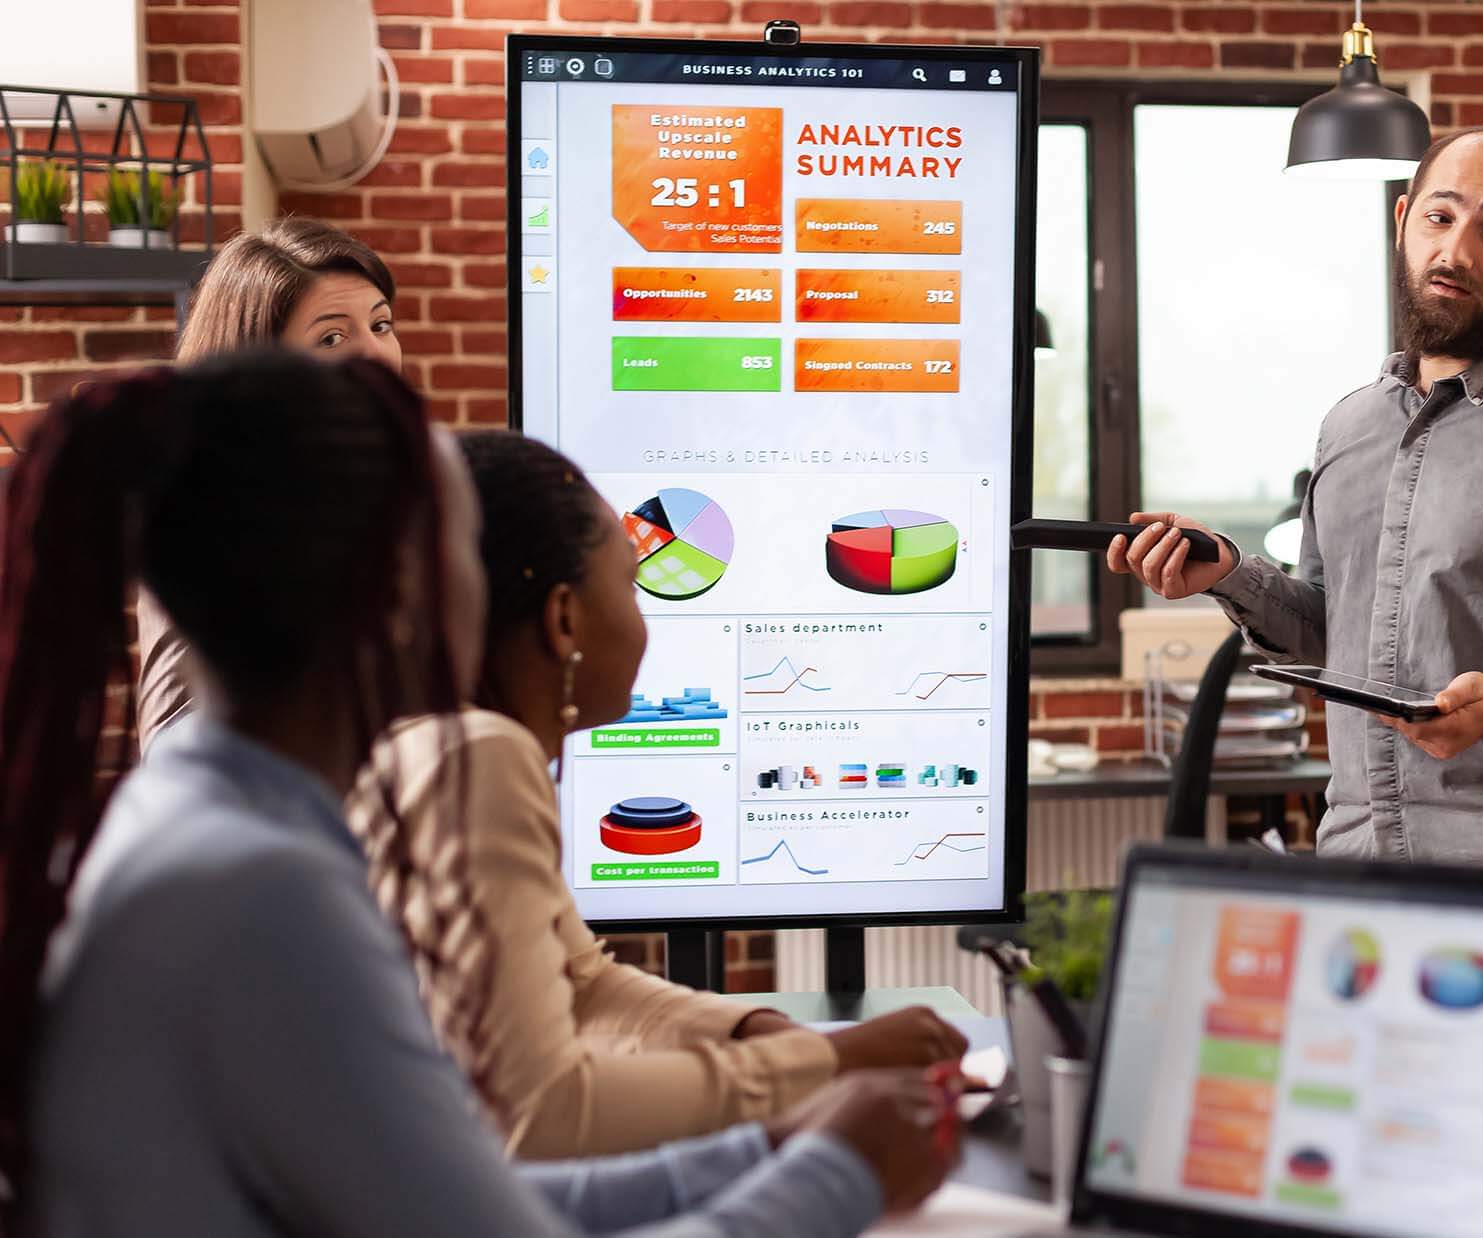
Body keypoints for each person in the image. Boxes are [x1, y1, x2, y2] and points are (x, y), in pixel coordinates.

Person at [3, 354, 952, 1235]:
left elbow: (461, 1189)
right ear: (402, 591)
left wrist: (767, 1148)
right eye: (466, 544)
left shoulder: (199, 820)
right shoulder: (264, 891)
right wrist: (840, 1171)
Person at [1108, 126, 1483, 869]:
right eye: (1440, 218)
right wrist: (1231, 574)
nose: (1456, 252)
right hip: (1354, 869)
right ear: (1402, 222)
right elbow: (1339, 637)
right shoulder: (1348, 427)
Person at [350, 429, 969, 1159]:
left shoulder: (431, 741)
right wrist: (829, 1062)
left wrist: (758, 1031)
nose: (647, 619)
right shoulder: (482, 757)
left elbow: (581, 983)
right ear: (564, 618)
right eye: (633, 584)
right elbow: (541, 1116)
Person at [136, 217, 404, 751]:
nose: (376, 355)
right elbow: (175, 742)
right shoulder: (206, 515)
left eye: (380, 325)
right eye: (331, 337)